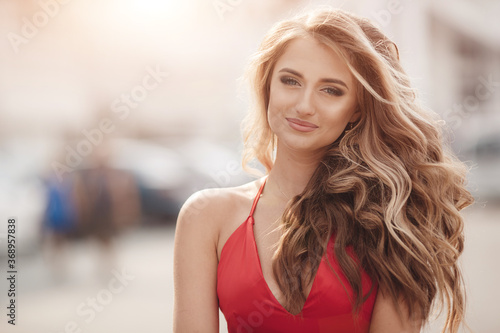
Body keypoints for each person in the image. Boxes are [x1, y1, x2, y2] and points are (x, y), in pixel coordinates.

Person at [173, 8, 473, 333]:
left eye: (331, 90)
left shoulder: (391, 218)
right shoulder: (206, 216)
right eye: (290, 81)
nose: (304, 105)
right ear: (266, 86)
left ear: (357, 109)